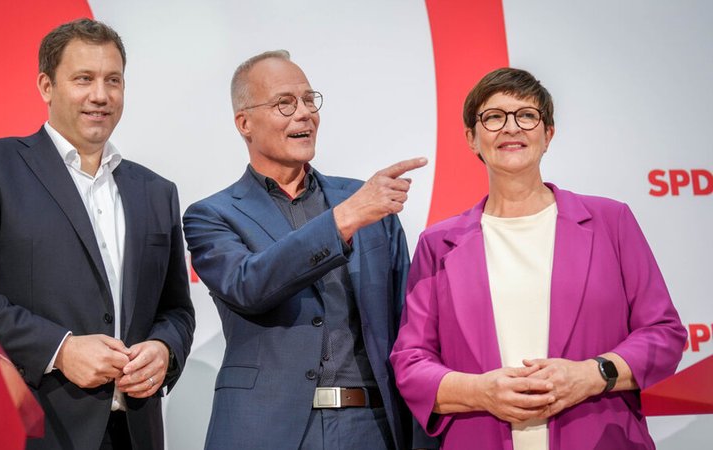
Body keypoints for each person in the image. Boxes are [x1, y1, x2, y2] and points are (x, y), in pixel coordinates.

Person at [0, 18, 195, 450]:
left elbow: (176, 309)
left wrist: (165, 349)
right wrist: (59, 349)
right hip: (30, 429)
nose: (100, 95)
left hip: (136, 433)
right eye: (83, 79)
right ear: (46, 86)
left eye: (112, 80)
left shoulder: (156, 191)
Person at [390, 67, 687, 449]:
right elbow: (411, 362)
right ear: (471, 138)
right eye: (494, 117)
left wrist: (592, 375)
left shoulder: (610, 222)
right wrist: (481, 391)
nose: (511, 128)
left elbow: (663, 334)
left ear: (548, 134)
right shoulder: (438, 244)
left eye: (527, 115)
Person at [182, 50, 437, 450]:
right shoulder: (212, 215)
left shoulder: (365, 203)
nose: (303, 113)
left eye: (308, 100)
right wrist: (342, 220)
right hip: (265, 430)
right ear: (244, 123)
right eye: (284, 103)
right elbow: (249, 285)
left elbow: (407, 326)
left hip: (369, 427)